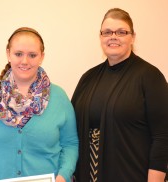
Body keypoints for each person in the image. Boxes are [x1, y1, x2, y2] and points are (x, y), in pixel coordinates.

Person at [0, 27, 79, 182]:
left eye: (32, 55)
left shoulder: (59, 97)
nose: (25, 61)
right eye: (18, 54)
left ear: (41, 57)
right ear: (8, 54)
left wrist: (63, 176)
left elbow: (70, 144)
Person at [71, 8, 168, 182]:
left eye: (121, 32)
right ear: (100, 37)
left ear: (133, 37)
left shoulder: (150, 77)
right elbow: (71, 132)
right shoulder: (88, 78)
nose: (113, 37)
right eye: (107, 32)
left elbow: (162, 136)